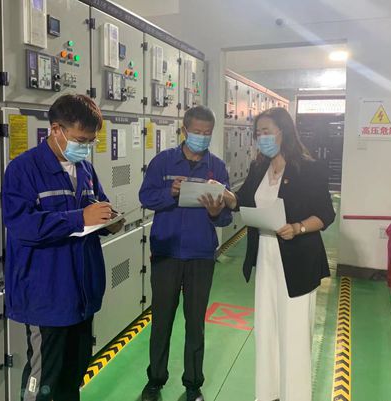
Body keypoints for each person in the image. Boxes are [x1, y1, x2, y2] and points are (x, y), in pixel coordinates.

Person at [2, 94, 124, 401]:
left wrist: (109, 221)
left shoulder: (84, 169)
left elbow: (97, 208)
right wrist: (79, 217)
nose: (86, 147)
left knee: (73, 376)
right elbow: (22, 226)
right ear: (56, 130)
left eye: (91, 141)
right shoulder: (23, 169)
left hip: (81, 294)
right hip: (47, 296)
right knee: (43, 380)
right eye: (81, 140)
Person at [223, 107, 335, 401]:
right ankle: (268, 393)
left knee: (294, 333)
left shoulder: (308, 169)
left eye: (267, 132)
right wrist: (226, 197)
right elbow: (243, 201)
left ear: (283, 132)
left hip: (297, 258)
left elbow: (326, 214)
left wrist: (298, 227)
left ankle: (294, 395)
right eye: (258, 133)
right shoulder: (258, 168)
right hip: (266, 257)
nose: (261, 138)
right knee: (267, 329)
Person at [139, 106, 233, 401]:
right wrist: (171, 192)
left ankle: (193, 384)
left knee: (195, 322)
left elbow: (226, 217)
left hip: (201, 254)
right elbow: (145, 197)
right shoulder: (163, 162)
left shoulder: (217, 168)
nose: (202, 137)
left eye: (207, 133)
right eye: (197, 132)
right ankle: (155, 380)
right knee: (162, 320)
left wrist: (216, 213)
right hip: (166, 252)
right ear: (184, 130)